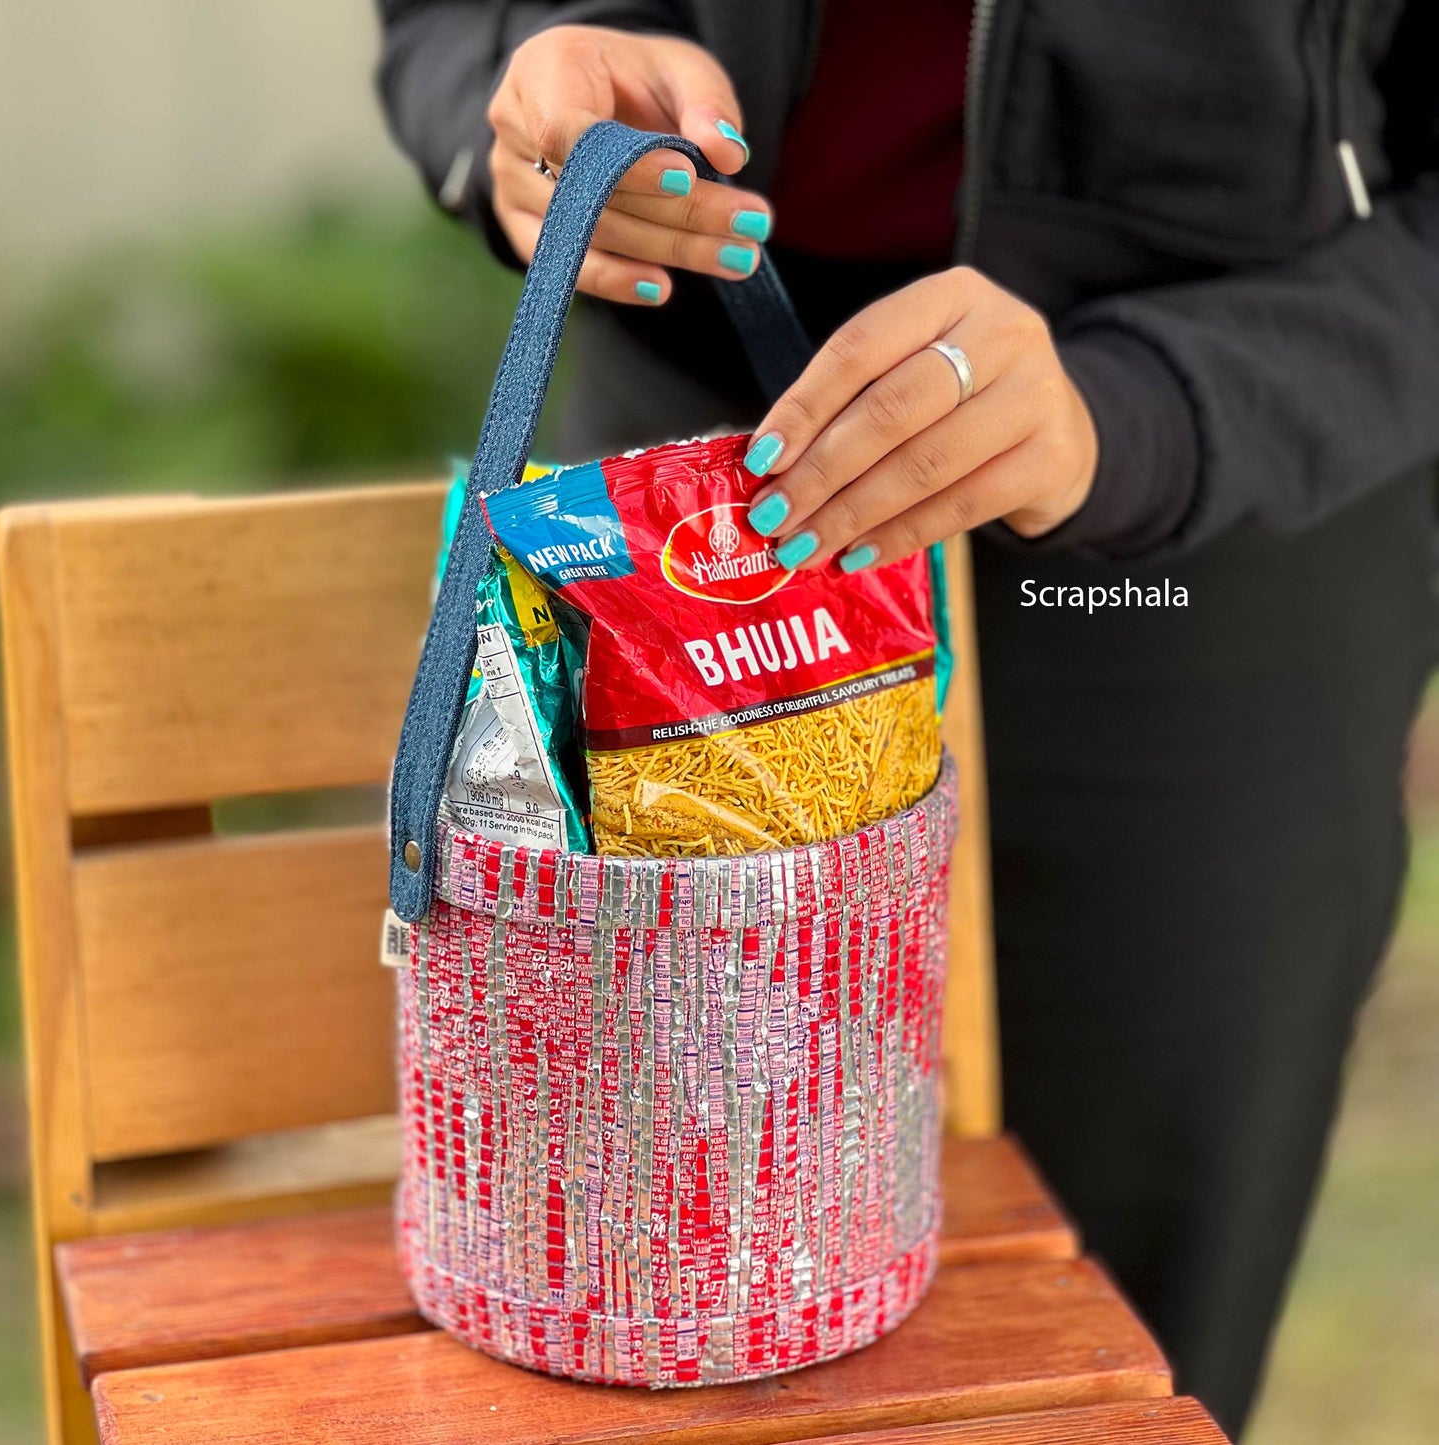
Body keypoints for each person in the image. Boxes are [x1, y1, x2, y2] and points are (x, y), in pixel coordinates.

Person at [373, 2, 1439, 1434]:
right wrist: (527, 81)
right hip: (680, 484)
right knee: (647, 1284)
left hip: (1199, 514)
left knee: (1114, 1351)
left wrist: (1144, 410)